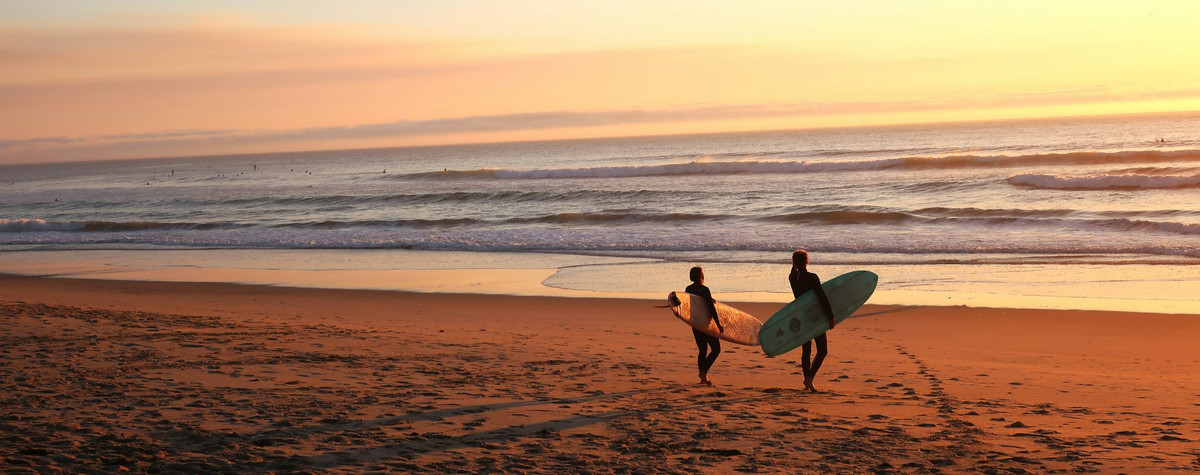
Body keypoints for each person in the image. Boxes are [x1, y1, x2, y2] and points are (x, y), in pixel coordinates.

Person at [789, 249, 836, 392]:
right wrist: (830, 316)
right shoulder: (812, 277)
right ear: (807, 261)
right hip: (815, 317)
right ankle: (809, 378)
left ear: (795, 262)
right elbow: (822, 298)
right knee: (822, 350)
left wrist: (794, 264)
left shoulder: (792, 278)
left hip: (801, 317)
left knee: (806, 350)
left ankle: (807, 381)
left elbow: (793, 272)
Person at [686, 266, 724, 385]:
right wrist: (718, 324)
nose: (704, 275)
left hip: (695, 323)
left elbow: (693, 303)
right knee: (716, 349)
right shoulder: (705, 289)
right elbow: (711, 308)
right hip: (705, 324)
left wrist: (709, 298)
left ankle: (703, 378)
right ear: (700, 276)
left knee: (702, 350)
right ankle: (703, 372)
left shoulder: (688, 289)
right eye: (703, 273)